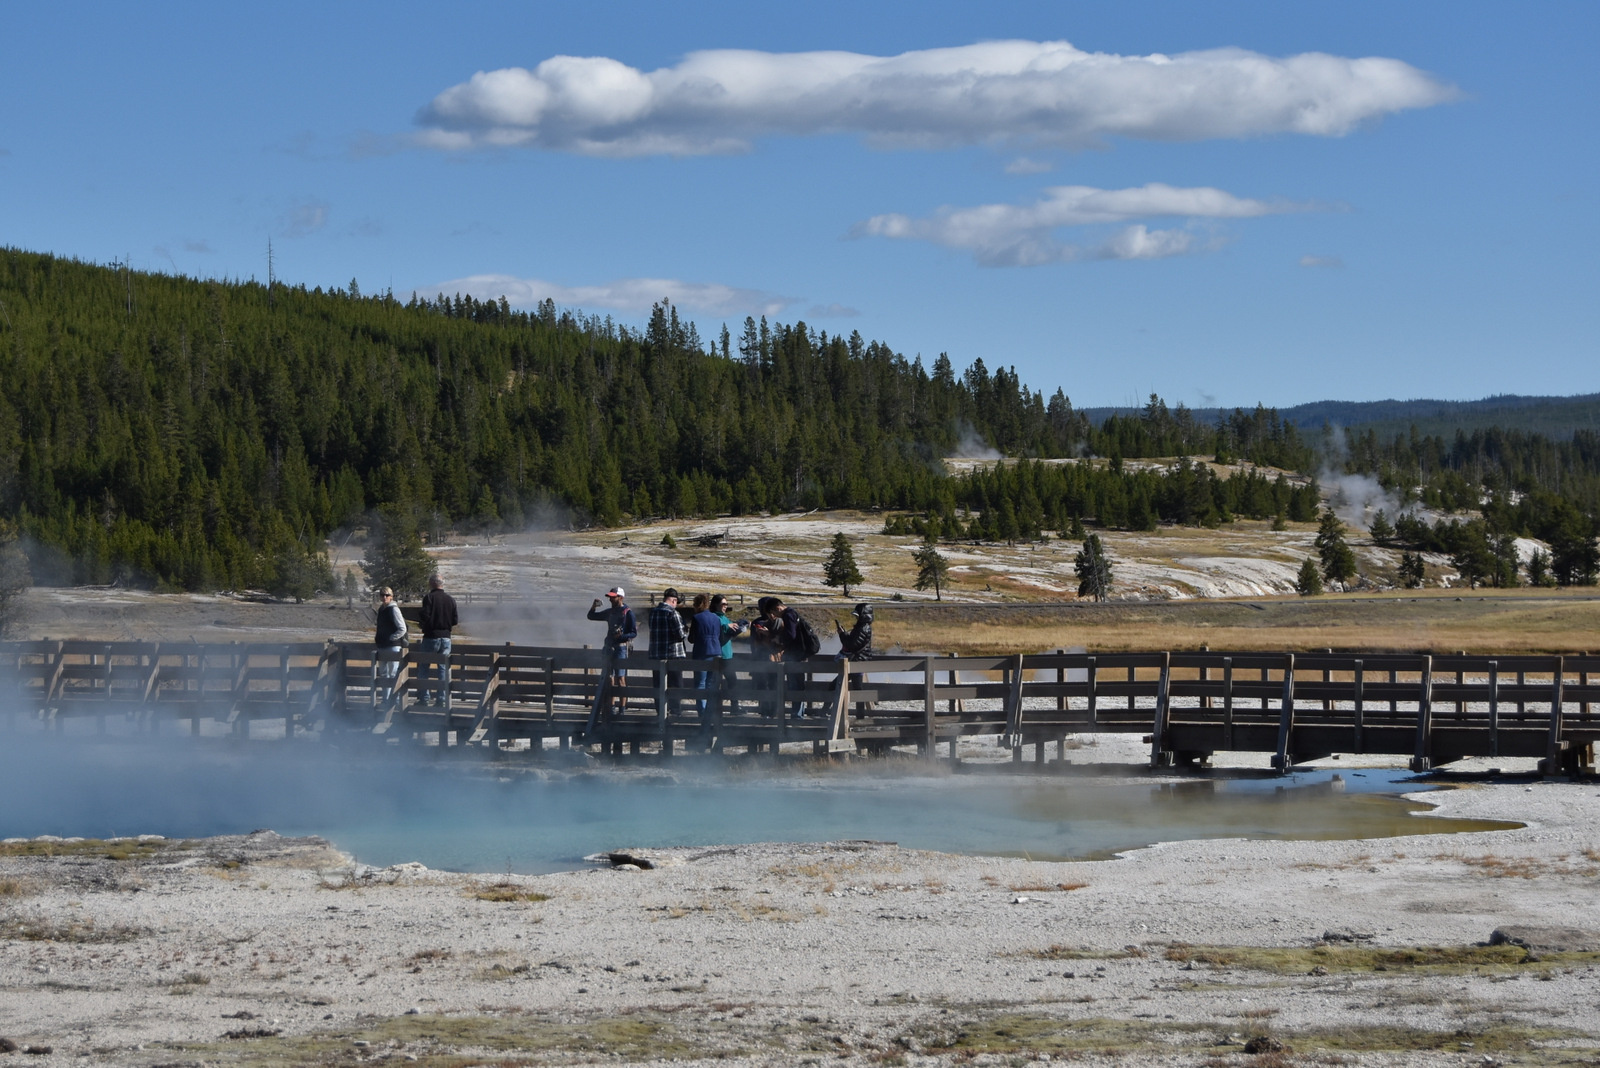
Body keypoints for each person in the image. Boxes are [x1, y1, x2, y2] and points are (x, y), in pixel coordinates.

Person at [586, 586, 636, 732]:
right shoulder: (610, 611)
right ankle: (612, 706)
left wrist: (621, 636)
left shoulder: (628, 613)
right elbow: (591, 616)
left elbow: (633, 633)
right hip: (609, 647)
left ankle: (622, 707)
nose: (610, 599)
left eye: (613, 597)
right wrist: (594, 606)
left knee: (621, 678)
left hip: (621, 647)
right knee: (609, 678)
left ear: (620, 597)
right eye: (610, 597)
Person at [418, 574, 459, 709]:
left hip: (431, 636)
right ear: (442, 584)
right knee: (443, 668)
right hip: (446, 637)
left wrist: (423, 625)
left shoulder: (429, 598)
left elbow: (425, 616)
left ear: (431, 583)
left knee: (424, 667)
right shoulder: (451, 600)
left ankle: (424, 698)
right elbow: (455, 621)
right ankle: (441, 700)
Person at [648, 587, 689, 716]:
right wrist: (686, 629)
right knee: (676, 685)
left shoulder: (653, 612)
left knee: (658, 685)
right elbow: (680, 634)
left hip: (656, 655)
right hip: (673, 655)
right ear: (674, 600)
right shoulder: (672, 613)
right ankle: (675, 711)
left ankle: (661, 711)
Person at [373, 586, 407, 705]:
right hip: (382, 645)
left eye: (387, 595)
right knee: (383, 673)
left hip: (393, 646)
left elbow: (402, 628)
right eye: (382, 595)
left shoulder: (394, 609)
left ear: (391, 596)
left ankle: (395, 699)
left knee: (393, 673)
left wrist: (392, 637)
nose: (384, 597)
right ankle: (386, 699)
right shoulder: (381, 609)